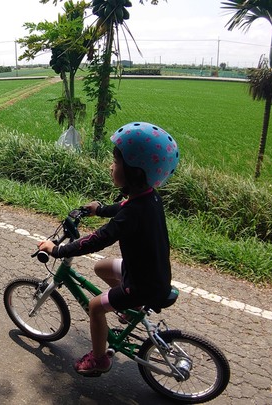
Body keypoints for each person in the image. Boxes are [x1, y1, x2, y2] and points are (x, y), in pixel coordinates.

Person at [37, 121, 180, 376]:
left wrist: (56, 250)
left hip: (141, 285)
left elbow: (97, 239)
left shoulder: (133, 213)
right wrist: (99, 209)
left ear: (134, 171)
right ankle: (130, 311)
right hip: (149, 271)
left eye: (115, 162)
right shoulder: (149, 197)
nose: (111, 166)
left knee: (95, 306)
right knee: (101, 267)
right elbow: (124, 208)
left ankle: (100, 359)